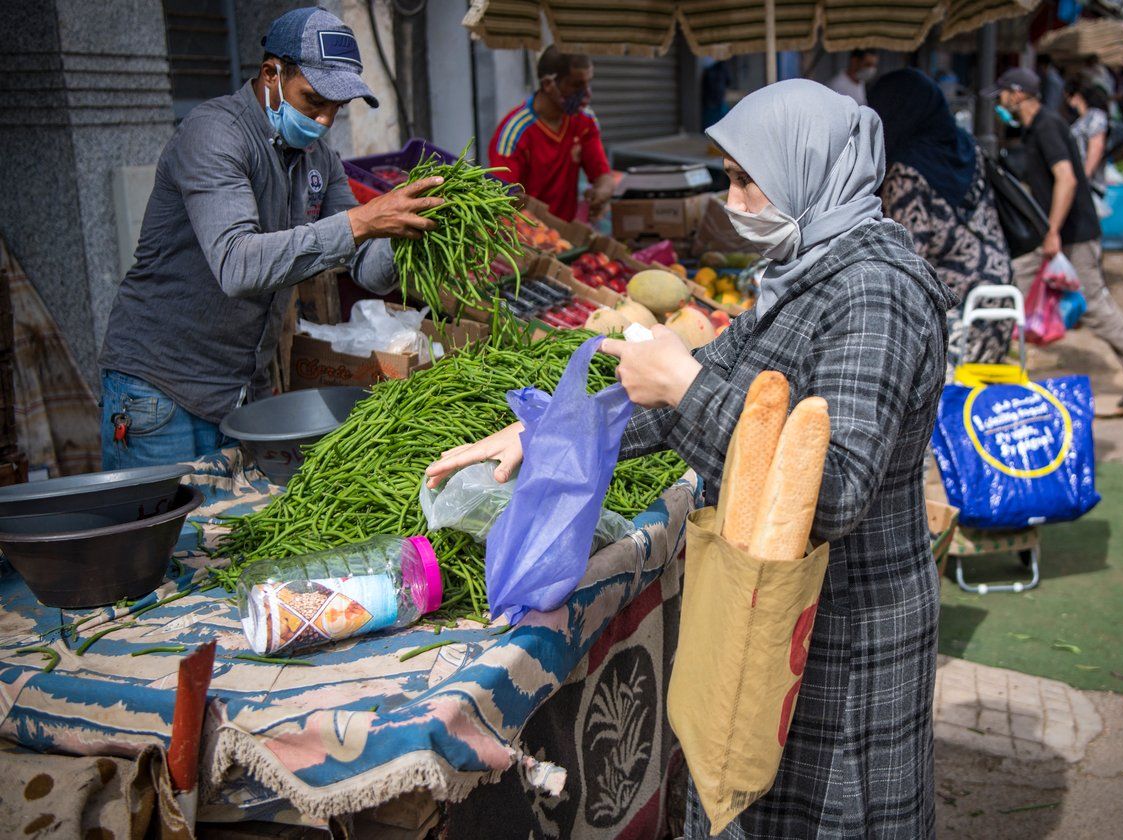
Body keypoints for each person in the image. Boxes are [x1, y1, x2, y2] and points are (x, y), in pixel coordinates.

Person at [430, 79, 956, 838]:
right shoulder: (808, 273)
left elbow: (836, 492)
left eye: (745, 178)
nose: (731, 196)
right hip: (778, 614)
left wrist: (686, 384)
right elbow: (694, 392)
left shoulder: (875, 292)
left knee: (842, 815)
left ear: (807, 170)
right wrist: (542, 436)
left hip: (846, 631)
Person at [99, 7, 444, 470]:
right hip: (160, 389)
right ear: (271, 74)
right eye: (313, 101)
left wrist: (410, 232)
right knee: (170, 536)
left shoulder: (319, 160)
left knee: (229, 534)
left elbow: (370, 271)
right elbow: (239, 266)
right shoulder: (214, 134)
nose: (324, 122)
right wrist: (363, 221)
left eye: (336, 110)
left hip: (241, 387)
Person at [991, 67, 1123, 411]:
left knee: (1096, 305)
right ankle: (994, 369)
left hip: (1073, 235)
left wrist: (1053, 230)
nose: (999, 101)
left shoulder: (1047, 127)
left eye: (1002, 94)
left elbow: (1067, 180)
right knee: (1012, 289)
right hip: (1056, 234)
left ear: (1017, 93)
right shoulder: (1034, 129)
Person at [869, 69, 1014, 373]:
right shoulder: (966, 147)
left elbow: (904, 261)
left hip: (954, 317)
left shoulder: (908, 172)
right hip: (997, 296)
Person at [488, 47, 616, 222]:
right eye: (577, 85)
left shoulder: (584, 119)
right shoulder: (514, 133)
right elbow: (502, 198)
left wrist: (601, 193)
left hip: (566, 233)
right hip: (527, 237)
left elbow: (603, 175)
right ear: (549, 84)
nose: (586, 94)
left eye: (588, 83)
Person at [1066, 79, 1110, 191]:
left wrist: (1085, 177)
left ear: (1076, 96)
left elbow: (1096, 147)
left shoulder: (1095, 117)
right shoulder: (1082, 119)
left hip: (1090, 184)